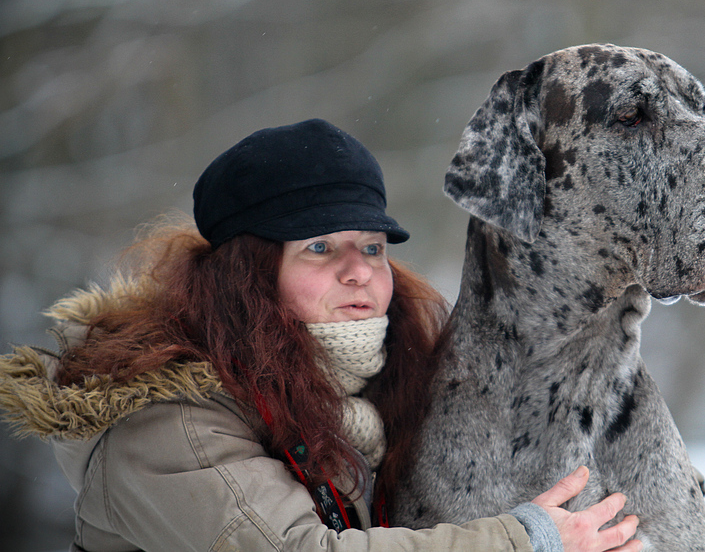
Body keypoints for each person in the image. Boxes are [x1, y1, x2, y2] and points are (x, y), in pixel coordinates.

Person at [0, 119, 642, 552]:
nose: (359, 268)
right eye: (318, 247)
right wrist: (524, 539)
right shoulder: (167, 418)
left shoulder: (384, 396)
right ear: (246, 275)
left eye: (371, 245)